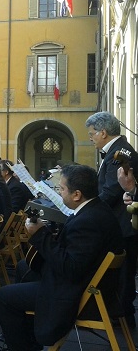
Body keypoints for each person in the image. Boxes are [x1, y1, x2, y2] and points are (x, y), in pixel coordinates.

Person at [0, 165, 124, 351]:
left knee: (2, 297)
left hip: (81, 294)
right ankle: (29, 336)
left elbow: (70, 268)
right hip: (90, 282)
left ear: (77, 194)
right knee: (25, 266)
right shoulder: (96, 208)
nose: (59, 193)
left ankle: (22, 346)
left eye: (61, 189)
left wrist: (39, 235)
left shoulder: (88, 221)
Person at [85, 111, 138, 328]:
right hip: (121, 223)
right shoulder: (116, 150)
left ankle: (122, 316)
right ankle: (119, 314)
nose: (90, 138)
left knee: (124, 275)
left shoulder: (120, 152)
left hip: (123, 226)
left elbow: (111, 191)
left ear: (103, 133)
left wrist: (87, 211)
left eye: (92, 134)